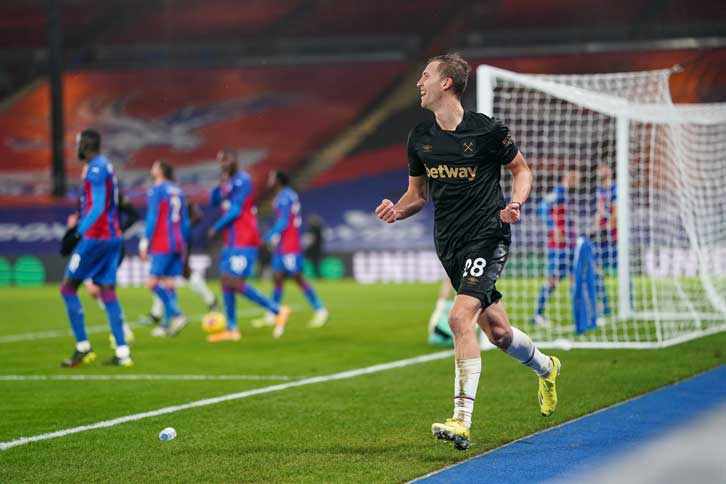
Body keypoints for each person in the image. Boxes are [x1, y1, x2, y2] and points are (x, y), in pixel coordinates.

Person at [374, 53, 560, 451]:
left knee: (460, 318)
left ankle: (461, 420)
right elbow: (416, 196)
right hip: (449, 245)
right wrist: (396, 210)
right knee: (499, 333)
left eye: (425, 75)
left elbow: (521, 169)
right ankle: (547, 367)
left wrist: (517, 203)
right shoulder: (420, 138)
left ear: (446, 83)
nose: (419, 82)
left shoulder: (489, 132)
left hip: (488, 236)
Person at [59, 129, 132, 367]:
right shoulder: (103, 166)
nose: (76, 148)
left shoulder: (97, 168)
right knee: (107, 291)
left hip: (96, 238)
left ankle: (83, 347)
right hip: (112, 237)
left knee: (69, 288)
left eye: (78, 143)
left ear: (85, 145)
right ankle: (122, 352)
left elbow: (99, 204)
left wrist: (78, 231)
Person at [207, 150, 291, 341]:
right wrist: (219, 185)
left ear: (235, 160)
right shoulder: (227, 182)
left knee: (234, 281)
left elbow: (236, 210)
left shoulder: (243, 180)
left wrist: (217, 227)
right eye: (221, 161)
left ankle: (277, 310)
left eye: (227, 160)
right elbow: (214, 201)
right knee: (226, 283)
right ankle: (232, 329)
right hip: (231, 239)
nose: (224, 164)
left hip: (244, 238)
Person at [253, 171, 328, 329]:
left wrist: (267, 237)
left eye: (272, 178)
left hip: (290, 244)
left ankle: (320, 309)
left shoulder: (286, 196)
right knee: (278, 278)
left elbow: (284, 222)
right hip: (282, 245)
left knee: (297, 277)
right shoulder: (284, 195)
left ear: (278, 180)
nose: (269, 180)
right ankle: (273, 313)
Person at [138, 159, 190, 337]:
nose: (152, 169)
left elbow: (152, 217)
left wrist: (145, 241)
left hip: (162, 241)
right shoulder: (178, 191)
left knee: (152, 283)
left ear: (160, 171)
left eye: (154, 166)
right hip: (177, 241)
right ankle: (168, 325)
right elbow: (185, 222)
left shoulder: (157, 189)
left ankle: (178, 314)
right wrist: (184, 243)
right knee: (168, 282)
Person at [146, 200, 218, 324]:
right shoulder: (169, 199)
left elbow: (198, 216)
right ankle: (158, 313)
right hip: (171, 241)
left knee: (172, 274)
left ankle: (164, 314)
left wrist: (184, 227)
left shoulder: (179, 200)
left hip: (178, 241)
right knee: (167, 276)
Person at [531, 169, 579, 327]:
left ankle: (579, 315)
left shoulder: (568, 195)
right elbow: (541, 207)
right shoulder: (558, 192)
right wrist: (554, 229)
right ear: (568, 177)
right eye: (575, 177)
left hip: (569, 244)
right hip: (558, 247)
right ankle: (537, 315)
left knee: (574, 278)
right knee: (553, 280)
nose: (577, 180)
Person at [592, 161, 616, 318]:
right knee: (596, 270)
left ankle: (630, 303)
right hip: (603, 236)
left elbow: (616, 212)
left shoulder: (615, 188)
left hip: (615, 237)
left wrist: (607, 227)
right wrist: (594, 228)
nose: (600, 171)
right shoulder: (600, 190)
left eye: (603, 168)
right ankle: (605, 305)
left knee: (623, 269)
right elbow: (600, 212)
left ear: (609, 170)